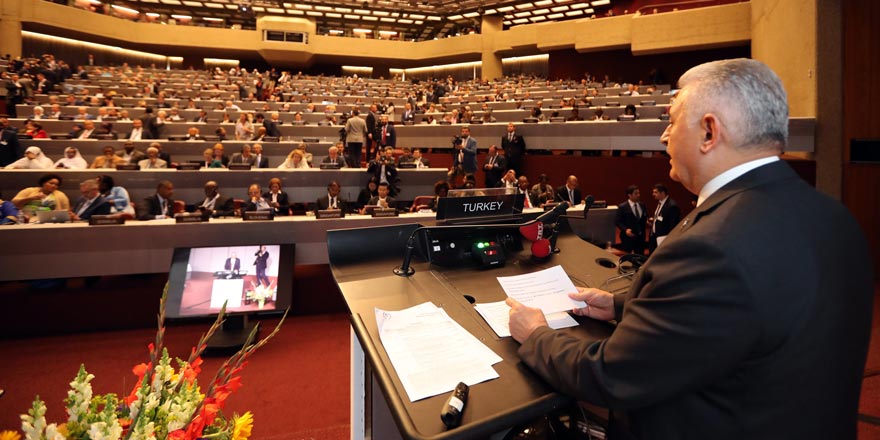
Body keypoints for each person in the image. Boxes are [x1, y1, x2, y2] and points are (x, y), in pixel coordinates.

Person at [506, 58, 874, 439]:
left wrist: (536, 335)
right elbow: (745, 317)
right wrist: (621, 306)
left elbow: (614, 376)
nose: (664, 136)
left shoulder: (711, 246)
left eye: (672, 120)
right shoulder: (835, 217)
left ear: (709, 132)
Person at [614, 184, 647, 254]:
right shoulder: (623, 207)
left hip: (640, 238)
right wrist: (625, 230)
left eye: (639, 193)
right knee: (627, 258)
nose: (638, 195)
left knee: (640, 258)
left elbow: (643, 218)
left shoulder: (642, 205)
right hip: (627, 238)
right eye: (636, 193)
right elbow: (617, 221)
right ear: (629, 195)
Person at [648, 183, 680, 253]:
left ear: (662, 193)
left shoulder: (672, 206)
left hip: (662, 239)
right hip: (654, 237)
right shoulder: (660, 202)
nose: (653, 194)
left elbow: (673, 226)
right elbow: (662, 218)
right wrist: (653, 222)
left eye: (655, 192)